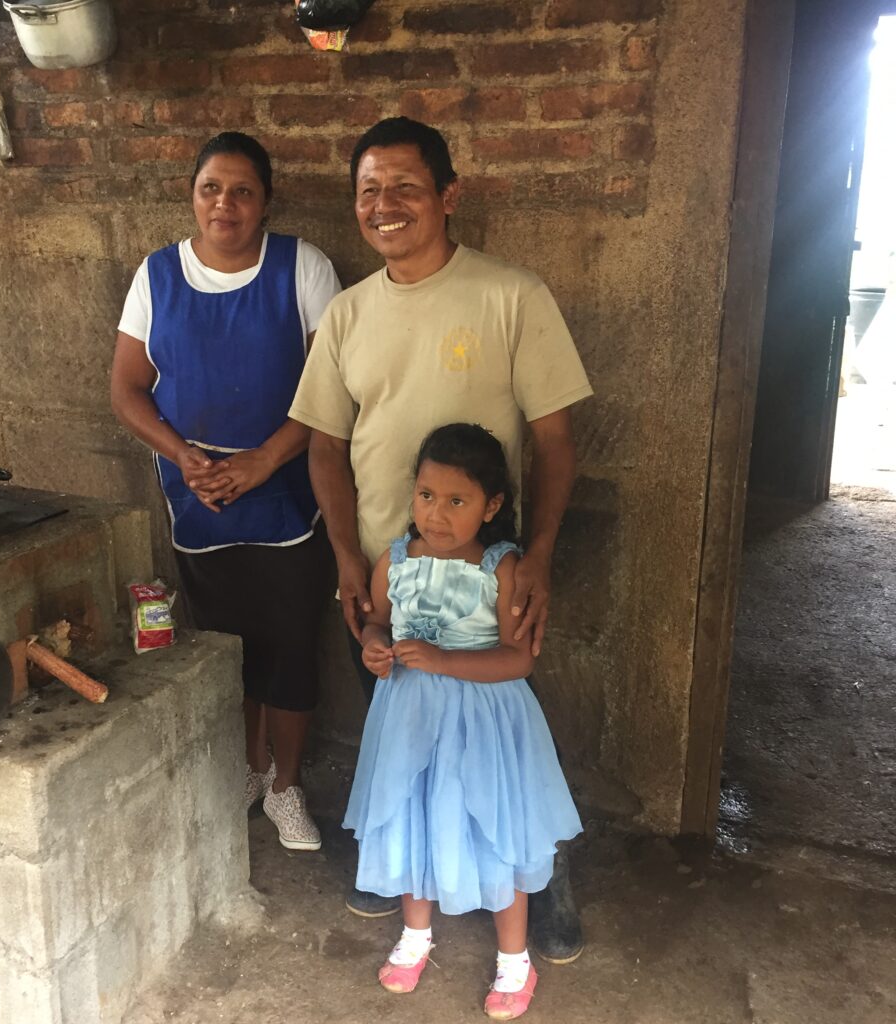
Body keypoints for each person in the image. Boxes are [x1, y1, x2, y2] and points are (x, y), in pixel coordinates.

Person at [289, 116, 592, 961]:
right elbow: (322, 445)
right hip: (389, 569)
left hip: (487, 565)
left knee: (505, 733)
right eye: (369, 192)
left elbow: (557, 441)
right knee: (403, 723)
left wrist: (539, 557)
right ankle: (401, 860)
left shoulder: (511, 295)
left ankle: (541, 874)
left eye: (405, 188)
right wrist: (349, 556)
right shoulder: (348, 315)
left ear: (448, 196)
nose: (385, 206)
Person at [110, 131, 341, 851]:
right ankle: (247, 767)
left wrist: (262, 462)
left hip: (286, 495)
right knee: (225, 648)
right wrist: (185, 456)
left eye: (243, 190)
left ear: (266, 201)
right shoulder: (156, 276)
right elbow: (127, 388)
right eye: (211, 188)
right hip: (198, 495)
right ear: (192, 194)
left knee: (292, 645)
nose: (225, 203)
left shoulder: (304, 269)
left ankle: (286, 787)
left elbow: (330, 388)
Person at [345, 423, 583, 1019]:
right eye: (426, 496)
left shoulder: (501, 568)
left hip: (485, 726)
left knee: (496, 831)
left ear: (492, 506)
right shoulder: (394, 560)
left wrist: (446, 660)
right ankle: (416, 936)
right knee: (413, 817)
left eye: (457, 501)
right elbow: (376, 623)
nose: (437, 514)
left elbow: (519, 657)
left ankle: (513, 961)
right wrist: (375, 646)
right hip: (409, 720)